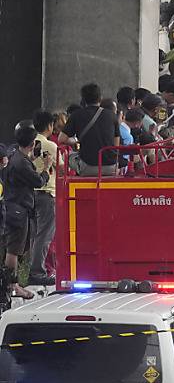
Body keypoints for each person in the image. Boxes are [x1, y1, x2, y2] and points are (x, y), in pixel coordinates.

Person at [1, 123, 50, 299]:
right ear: (31, 143)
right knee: (13, 250)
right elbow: (38, 181)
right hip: (18, 211)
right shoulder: (21, 163)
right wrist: (46, 167)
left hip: (13, 208)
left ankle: (11, 284)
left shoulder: (15, 156)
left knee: (15, 249)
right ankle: (12, 286)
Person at [59, 83, 119, 176]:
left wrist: (75, 140)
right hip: (112, 167)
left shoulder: (76, 115)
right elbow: (116, 145)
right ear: (100, 98)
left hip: (88, 167)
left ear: (83, 99)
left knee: (66, 156)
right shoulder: (112, 115)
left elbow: (61, 139)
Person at [28, 111, 58, 286]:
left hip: (31, 194)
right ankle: (38, 272)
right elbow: (62, 167)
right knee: (45, 236)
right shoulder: (50, 146)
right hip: (47, 192)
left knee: (35, 235)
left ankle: (34, 268)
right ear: (49, 126)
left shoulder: (31, 144)